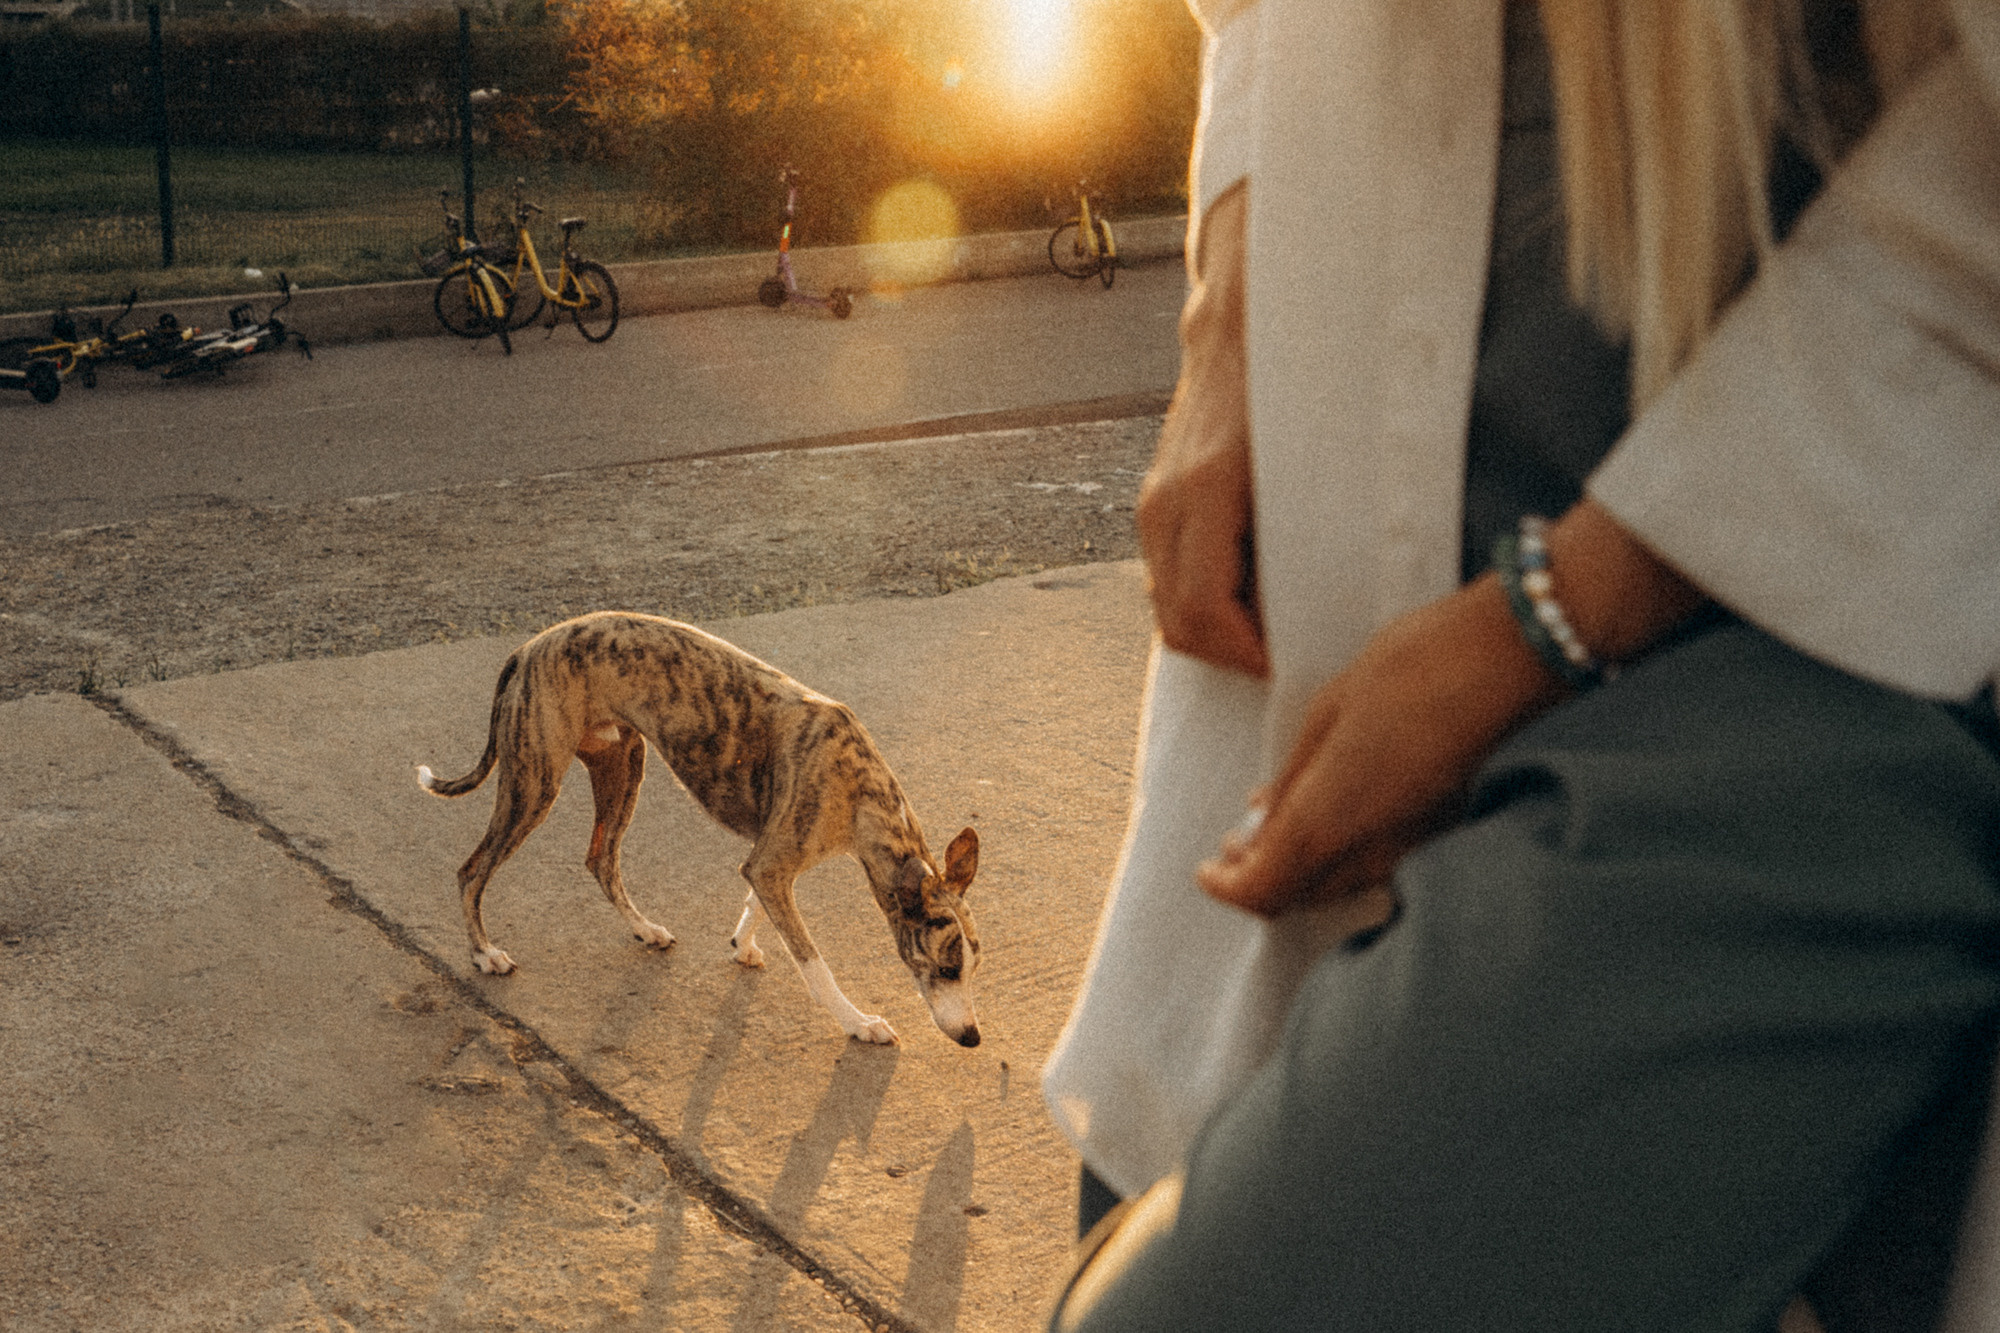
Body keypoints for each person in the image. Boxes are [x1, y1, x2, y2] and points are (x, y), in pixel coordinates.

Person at [1041, 0, 2000, 1327]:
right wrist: (1226, 295)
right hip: (1347, 465)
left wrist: (1578, 597)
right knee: (1140, 1202)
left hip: (1830, 568)